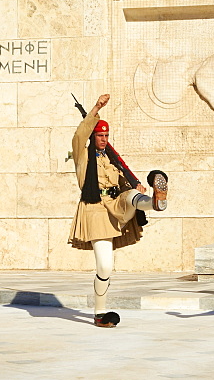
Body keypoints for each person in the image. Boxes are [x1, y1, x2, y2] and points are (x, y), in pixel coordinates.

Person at [68, 94, 169, 328]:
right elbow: (78, 135)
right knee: (105, 267)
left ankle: (155, 201)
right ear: (93, 136)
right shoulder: (83, 157)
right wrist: (96, 108)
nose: (103, 139)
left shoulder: (110, 160)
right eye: (100, 136)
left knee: (133, 196)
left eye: (106, 136)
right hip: (95, 210)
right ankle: (100, 313)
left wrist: (135, 184)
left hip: (117, 203)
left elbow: (124, 182)